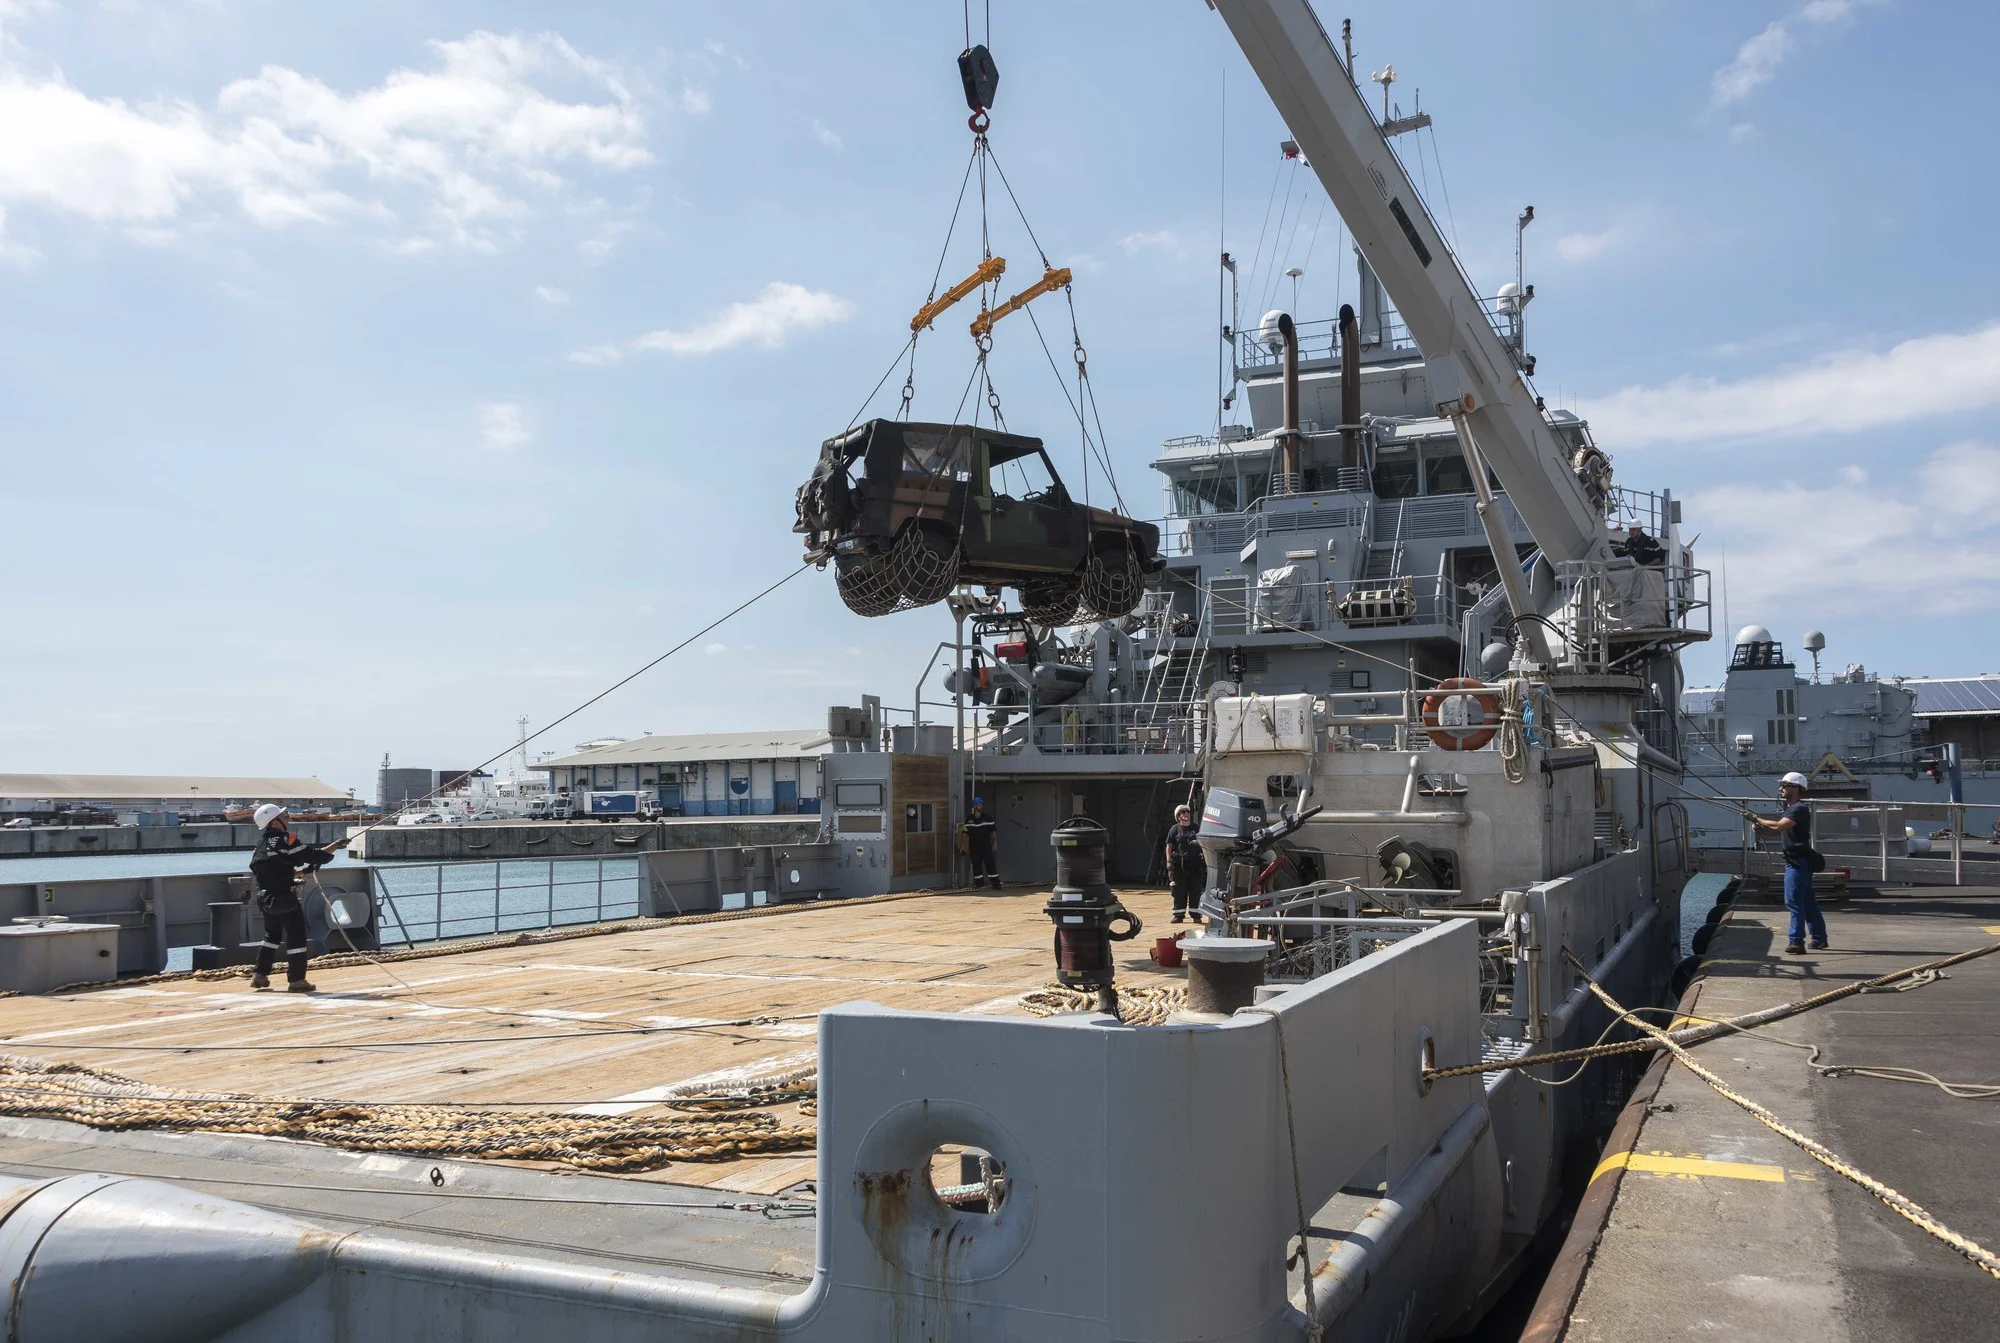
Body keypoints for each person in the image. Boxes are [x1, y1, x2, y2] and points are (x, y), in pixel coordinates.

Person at [247, 803, 338, 991]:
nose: (287, 818)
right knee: (296, 935)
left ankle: (260, 974)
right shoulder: (286, 839)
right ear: (274, 822)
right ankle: (296, 980)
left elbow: (275, 869)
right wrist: (336, 846)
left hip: (265, 898)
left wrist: (302, 872)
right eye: (284, 815)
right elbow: (314, 855)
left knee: (272, 935)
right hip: (284, 898)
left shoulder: (261, 845)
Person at [1752, 772, 1826, 955]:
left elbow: (1778, 826)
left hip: (1796, 863)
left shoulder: (1797, 809)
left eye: (1785, 785)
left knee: (1793, 902)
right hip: (1801, 862)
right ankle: (1819, 938)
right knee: (1808, 902)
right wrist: (1761, 830)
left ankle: (1796, 941)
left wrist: (1756, 819)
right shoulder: (1792, 809)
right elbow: (1779, 831)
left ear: (1796, 788)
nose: (1781, 788)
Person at [1164, 803, 1204, 924]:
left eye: (1187, 811)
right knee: (1179, 891)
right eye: (1183, 812)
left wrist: (1198, 843)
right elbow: (1169, 846)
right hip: (1180, 865)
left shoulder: (1196, 828)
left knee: (1195, 890)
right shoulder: (1174, 829)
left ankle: (1196, 915)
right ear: (1178, 816)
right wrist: (1169, 863)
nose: (1186, 813)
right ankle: (1178, 915)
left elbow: (1204, 842)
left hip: (1195, 864)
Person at [964, 796, 1000, 890]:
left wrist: (995, 843)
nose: (981, 806)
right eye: (979, 805)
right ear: (974, 806)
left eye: (981, 805)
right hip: (974, 847)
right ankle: (979, 884)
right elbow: (966, 833)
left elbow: (993, 831)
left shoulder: (988, 818)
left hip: (985, 846)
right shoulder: (969, 819)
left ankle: (996, 883)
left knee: (990, 863)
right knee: (976, 865)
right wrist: (964, 846)